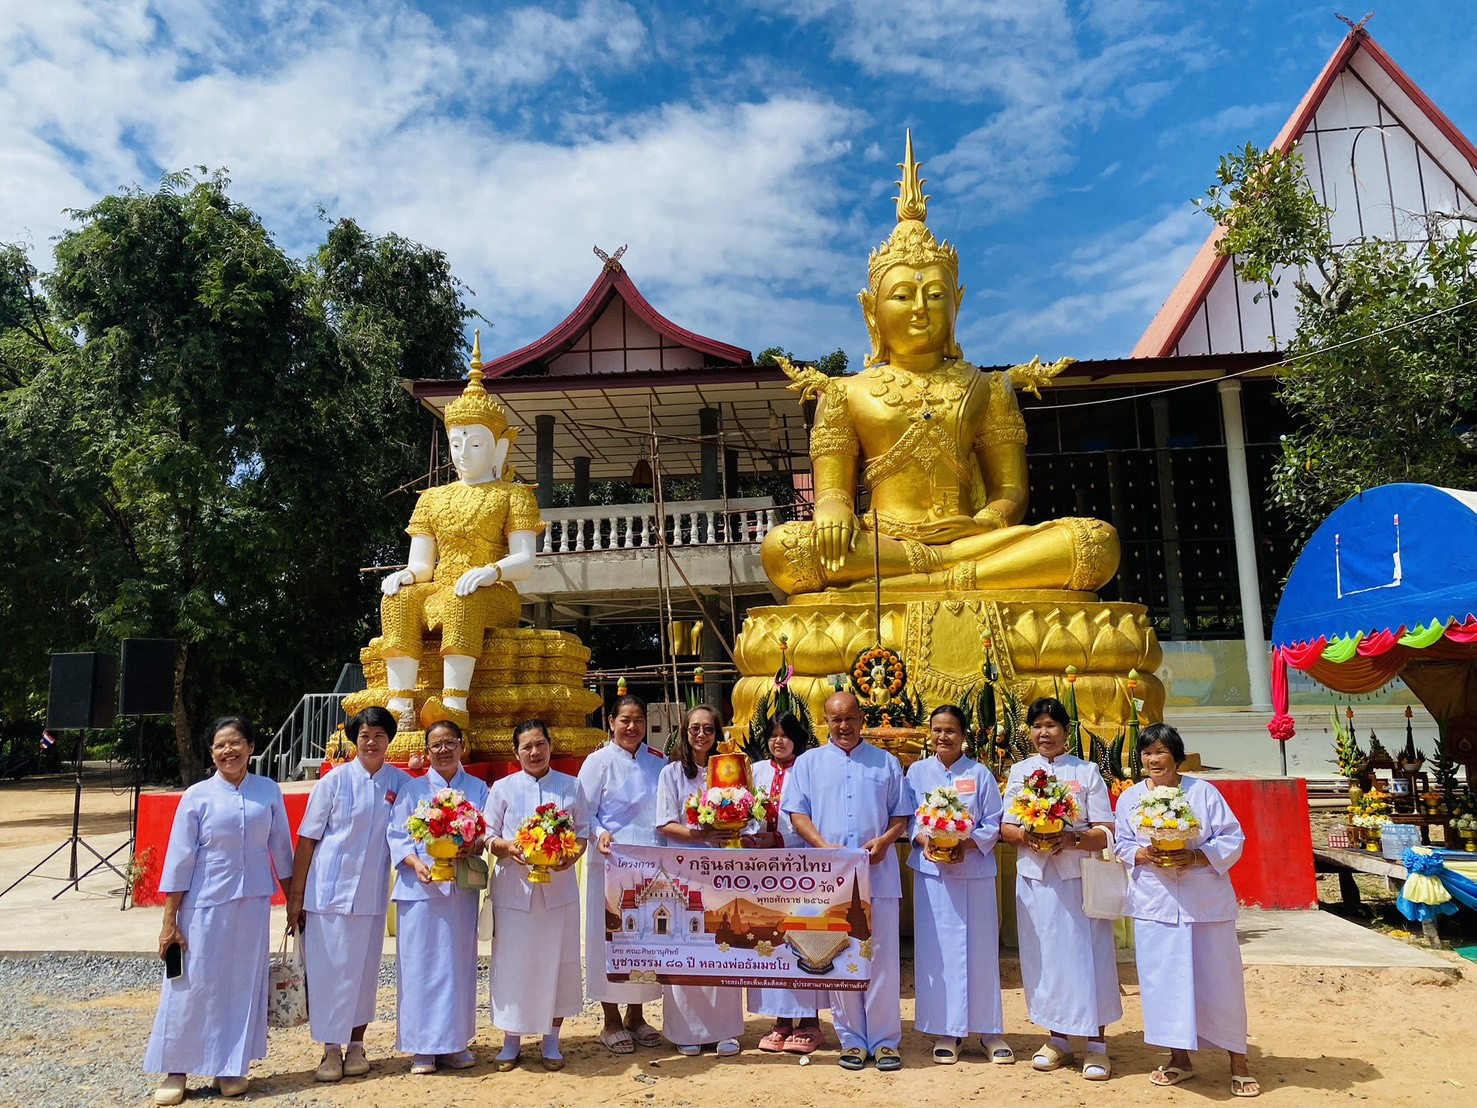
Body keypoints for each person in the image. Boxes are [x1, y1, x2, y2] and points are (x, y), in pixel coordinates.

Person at [759, 133, 1117, 597]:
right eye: (902, 295)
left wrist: (984, 524)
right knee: (784, 549)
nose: (919, 309)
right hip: (884, 542)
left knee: (1093, 542)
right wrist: (832, 509)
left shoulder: (987, 388)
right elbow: (833, 491)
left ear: (956, 304)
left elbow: (1010, 492)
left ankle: (941, 572)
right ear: (871, 311)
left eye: (934, 294)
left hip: (973, 542)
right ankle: (945, 572)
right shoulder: (846, 393)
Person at [372, 335, 544, 732]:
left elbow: (525, 561)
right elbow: (421, 565)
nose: (464, 452)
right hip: (441, 585)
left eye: (476, 443)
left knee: (462, 599)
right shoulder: (432, 498)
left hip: (493, 591)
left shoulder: (513, 494)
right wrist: (405, 575)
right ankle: (400, 708)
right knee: (399, 599)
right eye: (456, 443)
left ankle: (454, 707)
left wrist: (490, 571)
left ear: (498, 448)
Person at [143, 718, 293, 1105]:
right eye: (220, 745)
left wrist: (294, 903)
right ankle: (176, 1069)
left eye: (236, 743)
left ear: (251, 747)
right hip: (204, 905)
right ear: (211, 753)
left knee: (241, 985)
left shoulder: (268, 791)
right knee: (191, 985)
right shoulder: (197, 796)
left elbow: (282, 850)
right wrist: (169, 921)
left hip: (253, 904)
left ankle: (230, 1066)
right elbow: (179, 860)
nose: (229, 751)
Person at [1114, 723, 1258, 1098]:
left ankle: (1238, 1062)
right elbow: (1122, 843)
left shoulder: (1203, 793)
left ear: (1176, 757)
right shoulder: (1130, 798)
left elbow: (1232, 837)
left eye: (1160, 751)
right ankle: (1179, 1058)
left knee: (1220, 981)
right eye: (1147, 752)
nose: (1153, 759)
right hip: (1156, 904)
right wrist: (1144, 853)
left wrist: (1196, 857)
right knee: (1164, 984)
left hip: (1204, 903)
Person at [783, 690, 911, 1072]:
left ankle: (885, 1041)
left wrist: (886, 841)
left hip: (879, 876)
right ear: (825, 721)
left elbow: (901, 815)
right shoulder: (808, 764)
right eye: (836, 719)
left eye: (850, 718)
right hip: (830, 880)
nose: (843, 726)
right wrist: (825, 849)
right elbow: (797, 813)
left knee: (881, 959)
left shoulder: (885, 762)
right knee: (839, 957)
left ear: (861, 719)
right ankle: (852, 1040)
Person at [287, 706, 410, 1082]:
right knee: (328, 973)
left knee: (363, 974)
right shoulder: (333, 782)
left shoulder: (400, 783)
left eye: (379, 736)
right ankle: (330, 1049)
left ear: (389, 741)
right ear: (355, 740)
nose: (371, 742)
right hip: (327, 893)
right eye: (364, 736)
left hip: (370, 895)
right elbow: (307, 840)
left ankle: (356, 1045)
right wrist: (296, 898)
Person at [1000, 696, 1120, 1081]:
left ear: (1067, 731)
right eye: (1037, 726)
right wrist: (1027, 837)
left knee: (1088, 957)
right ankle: (1058, 1040)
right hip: (1036, 880)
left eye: (1051, 725)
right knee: (1046, 958)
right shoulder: (1020, 772)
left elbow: (1106, 830)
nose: (1044, 733)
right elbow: (1007, 827)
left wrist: (1072, 839)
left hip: (1078, 879)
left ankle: (1097, 1045)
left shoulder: (1086, 772)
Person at [907, 705, 1010, 1066]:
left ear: (964, 735)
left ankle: (988, 1031)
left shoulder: (979, 773)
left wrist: (965, 845)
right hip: (933, 876)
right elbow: (909, 818)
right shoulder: (917, 772)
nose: (943, 737)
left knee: (981, 951)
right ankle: (946, 1031)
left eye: (950, 730)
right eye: (937, 730)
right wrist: (926, 841)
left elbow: (994, 821)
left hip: (974, 872)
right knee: (938, 953)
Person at [484, 719, 589, 1072]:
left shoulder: (571, 786)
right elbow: (487, 835)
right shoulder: (503, 788)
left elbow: (583, 833)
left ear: (550, 745)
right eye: (526, 746)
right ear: (516, 753)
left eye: (540, 744)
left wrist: (570, 856)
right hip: (514, 891)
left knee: (558, 963)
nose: (534, 752)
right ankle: (511, 1039)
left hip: (558, 890)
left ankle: (551, 1039)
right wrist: (506, 846)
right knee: (512, 964)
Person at [387, 719, 488, 1074]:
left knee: (457, 966)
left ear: (462, 745)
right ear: (427, 751)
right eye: (436, 745)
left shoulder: (477, 788)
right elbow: (397, 835)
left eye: (450, 743)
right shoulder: (412, 789)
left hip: (459, 889)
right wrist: (415, 863)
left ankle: (454, 1043)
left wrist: (474, 844)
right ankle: (422, 1048)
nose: (444, 750)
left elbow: (485, 830)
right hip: (420, 889)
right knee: (419, 967)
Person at [654, 703, 747, 1056]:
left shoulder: (732, 769)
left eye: (709, 729)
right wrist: (703, 835)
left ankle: (725, 1030)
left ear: (717, 733)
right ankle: (686, 1031)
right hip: (684, 870)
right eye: (695, 728)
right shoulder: (672, 773)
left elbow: (747, 815)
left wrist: (729, 829)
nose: (702, 735)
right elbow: (664, 823)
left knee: (723, 945)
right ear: (684, 732)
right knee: (685, 948)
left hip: (723, 870)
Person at [577, 693, 666, 1054]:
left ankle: (636, 1015)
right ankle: (611, 1018)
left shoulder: (658, 762)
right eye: (624, 720)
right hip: (609, 863)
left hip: (649, 866)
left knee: (643, 940)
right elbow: (584, 812)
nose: (632, 727)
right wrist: (600, 833)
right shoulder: (596, 763)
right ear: (611, 723)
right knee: (610, 938)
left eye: (638, 720)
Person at [745, 712, 826, 1054]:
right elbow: (743, 812)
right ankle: (780, 1019)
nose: (778, 741)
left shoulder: (809, 770)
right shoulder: (754, 771)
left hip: (801, 866)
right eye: (773, 735)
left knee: (804, 938)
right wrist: (750, 836)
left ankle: (809, 1020)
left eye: (785, 735)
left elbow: (815, 817)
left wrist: (779, 839)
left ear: (798, 738)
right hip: (763, 871)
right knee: (771, 940)